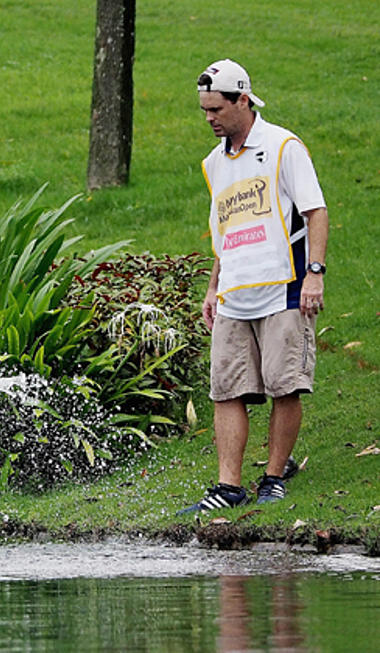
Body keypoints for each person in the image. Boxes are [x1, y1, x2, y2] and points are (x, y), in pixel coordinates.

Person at [180, 59, 329, 513]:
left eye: (216, 110)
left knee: (285, 385)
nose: (209, 118)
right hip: (233, 294)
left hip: (285, 287)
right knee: (225, 390)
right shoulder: (213, 163)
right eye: (204, 110)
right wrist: (212, 289)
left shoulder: (283, 146)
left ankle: (273, 477)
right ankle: (228, 487)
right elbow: (223, 233)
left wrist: (314, 274)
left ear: (242, 100)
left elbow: (315, 212)